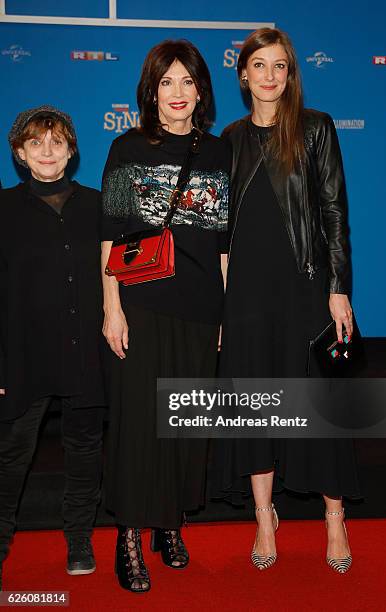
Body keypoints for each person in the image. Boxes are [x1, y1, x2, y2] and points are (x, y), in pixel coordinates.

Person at [212, 28, 361, 574]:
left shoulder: (316, 129)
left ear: (290, 74)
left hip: (305, 287)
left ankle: (334, 516)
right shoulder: (227, 139)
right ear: (243, 74)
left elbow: (334, 213)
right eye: (259, 65)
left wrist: (338, 288)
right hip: (247, 293)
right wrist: (221, 306)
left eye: (280, 65)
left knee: (317, 405)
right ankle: (263, 516)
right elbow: (218, 234)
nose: (270, 75)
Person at [101, 40, 229, 593]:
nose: (178, 93)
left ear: (201, 90)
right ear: (151, 91)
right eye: (166, 82)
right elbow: (109, 235)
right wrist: (112, 308)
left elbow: (223, 243)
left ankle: (169, 524)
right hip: (143, 303)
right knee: (138, 426)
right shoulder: (127, 147)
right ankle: (129, 537)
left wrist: (223, 310)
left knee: (184, 424)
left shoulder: (219, 152)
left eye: (188, 82)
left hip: (200, 305)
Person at [0, 106, 105, 588]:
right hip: (23, 355)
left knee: (85, 449)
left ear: (71, 149)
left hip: (87, 351)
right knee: (12, 453)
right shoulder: (3, 210)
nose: (47, 151)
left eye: (57, 142)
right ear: (20, 153)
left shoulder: (98, 207)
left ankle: (79, 539)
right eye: (36, 143)